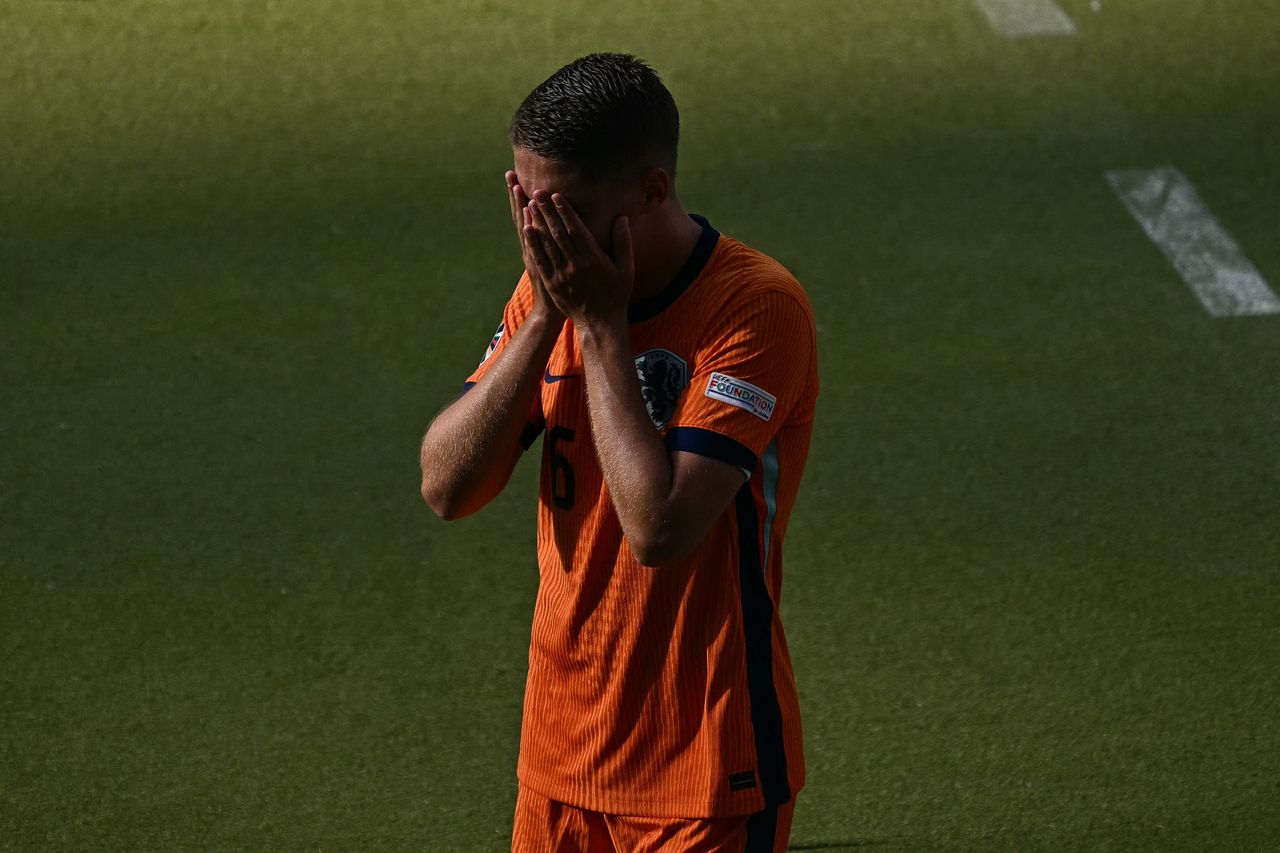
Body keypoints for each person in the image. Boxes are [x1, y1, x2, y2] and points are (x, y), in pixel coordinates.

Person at [419, 53, 819, 853]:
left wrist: (599, 325)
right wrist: (543, 320)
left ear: (651, 192)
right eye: (525, 205)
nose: (541, 234)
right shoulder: (554, 287)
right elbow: (446, 485)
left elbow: (659, 528)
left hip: (704, 772)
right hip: (558, 760)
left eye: (562, 210)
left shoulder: (754, 308)